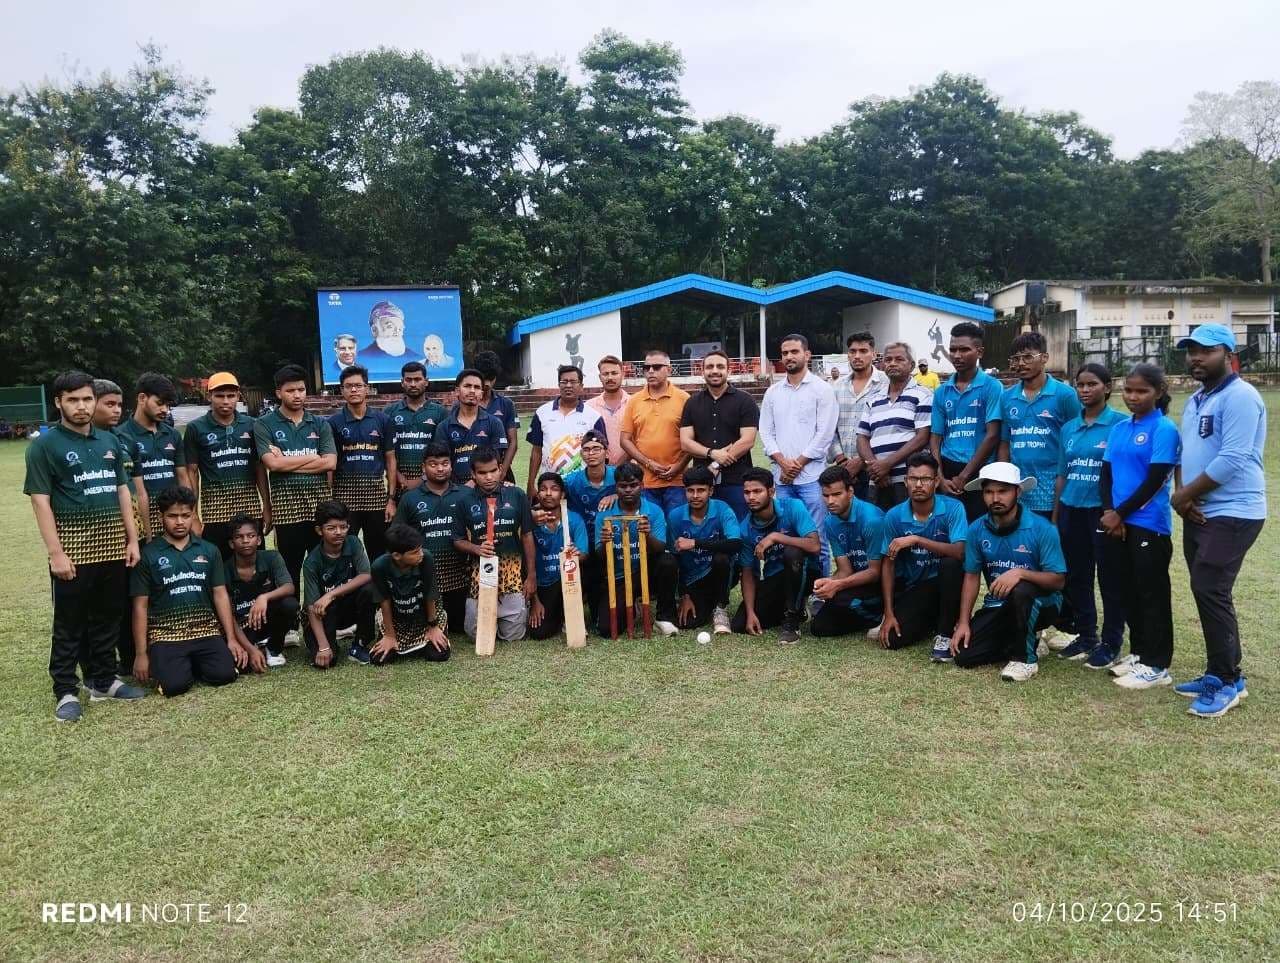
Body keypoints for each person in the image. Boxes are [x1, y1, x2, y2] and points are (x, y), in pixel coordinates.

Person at [26, 370, 144, 721]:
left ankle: (103, 680)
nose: (81, 406)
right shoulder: (45, 446)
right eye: (73, 400)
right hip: (74, 553)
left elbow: (122, 492)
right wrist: (56, 553)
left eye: (86, 399)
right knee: (70, 624)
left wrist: (133, 538)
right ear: (59, 402)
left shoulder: (108, 442)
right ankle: (65, 690)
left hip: (113, 548)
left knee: (108, 618)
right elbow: (40, 501)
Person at [1170, 324, 1267, 718]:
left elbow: (1234, 458)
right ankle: (1223, 672)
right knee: (1207, 589)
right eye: (1191, 350)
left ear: (1228, 354)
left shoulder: (1241, 396)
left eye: (1205, 351)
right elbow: (1185, 452)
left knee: (1210, 587)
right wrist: (1184, 498)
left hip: (1235, 510)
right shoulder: (1197, 398)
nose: (1196, 357)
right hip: (1200, 509)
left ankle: (1226, 682)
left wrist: (1185, 494)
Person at [130, 486, 264, 697]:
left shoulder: (209, 550)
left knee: (225, 675)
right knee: (174, 687)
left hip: (206, 631)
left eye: (186, 515)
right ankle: (178, 666)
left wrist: (231, 639)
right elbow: (140, 606)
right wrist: (141, 653)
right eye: (172, 516)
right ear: (160, 517)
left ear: (194, 514)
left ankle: (194, 663)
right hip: (166, 634)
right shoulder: (148, 554)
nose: (180, 522)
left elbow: (220, 595)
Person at [1098, 364, 1180, 691]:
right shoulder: (1119, 427)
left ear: (1158, 392)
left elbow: (1155, 480)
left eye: (1141, 391)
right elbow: (1106, 475)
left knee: (1152, 595)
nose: (1133, 397)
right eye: (1128, 390)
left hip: (1148, 525)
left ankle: (1158, 665)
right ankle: (1140, 652)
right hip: (1116, 522)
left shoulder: (1164, 429)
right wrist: (1109, 512)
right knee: (1127, 591)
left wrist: (1120, 514)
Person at [951, 463, 1067, 682]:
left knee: (1021, 589)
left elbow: (1058, 580)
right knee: (965, 656)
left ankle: (1025, 660)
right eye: (989, 492)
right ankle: (1025, 638)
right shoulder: (976, 529)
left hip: (1043, 603)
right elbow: (971, 576)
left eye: (1002, 491)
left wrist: (1021, 574)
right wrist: (964, 622)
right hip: (999, 605)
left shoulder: (1042, 528)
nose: (995, 498)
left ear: (1018, 491)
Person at [1053, 364, 1126, 668]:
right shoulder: (1069, 427)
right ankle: (1086, 635)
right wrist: (1057, 516)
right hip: (1071, 509)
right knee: (1077, 577)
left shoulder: (1120, 425)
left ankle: (1111, 642)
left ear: (1107, 388)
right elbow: (1061, 475)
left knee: (1110, 579)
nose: (1084, 390)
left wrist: (1118, 513)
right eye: (1080, 385)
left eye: (1091, 384)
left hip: (1102, 512)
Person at [875, 452, 967, 660]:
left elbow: (960, 551)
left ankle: (944, 633)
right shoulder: (894, 516)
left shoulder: (953, 508)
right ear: (906, 481)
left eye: (925, 479)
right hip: (917, 588)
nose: (918, 484)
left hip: (949, 584)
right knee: (892, 639)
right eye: (913, 479)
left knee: (951, 564)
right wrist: (888, 613)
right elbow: (887, 564)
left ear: (936, 481)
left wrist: (917, 539)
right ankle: (935, 620)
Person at [759, 334, 839, 572]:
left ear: (807, 354)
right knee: (785, 536)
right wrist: (783, 464)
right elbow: (766, 431)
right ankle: (790, 593)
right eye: (785, 353)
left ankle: (819, 593)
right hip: (782, 480)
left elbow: (824, 434)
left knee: (818, 539)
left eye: (794, 352)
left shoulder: (822, 390)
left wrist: (798, 464)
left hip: (812, 478)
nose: (789, 357)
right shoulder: (773, 392)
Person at [254, 364, 337, 591]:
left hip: (319, 508)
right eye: (291, 390)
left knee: (322, 568)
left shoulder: (319, 424)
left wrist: (285, 465)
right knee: (289, 568)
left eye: (301, 389)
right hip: (286, 509)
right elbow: (271, 464)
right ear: (279, 392)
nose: (297, 395)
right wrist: (312, 456)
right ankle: (290, 624)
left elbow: (330, 462)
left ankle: (319, 619)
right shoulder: (264, 424)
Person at [452, 446, 536, 642]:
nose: (488, 477)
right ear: (473, 474)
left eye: (492, 471)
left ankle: (516, 609)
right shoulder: (463, 500)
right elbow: (457, 540)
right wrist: (476, 548)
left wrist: (531, 575)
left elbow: (527, 535)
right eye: (482, 473)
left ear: (500, 468)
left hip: (512, 574)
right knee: (476, 636)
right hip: (479, 575)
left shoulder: (516, 494)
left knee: (513, 636)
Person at [997, 331, 1082, 518]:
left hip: (1054, 488)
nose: (1021, 363)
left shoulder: (1065, 395)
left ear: (1044, 358)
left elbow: (1077, 441)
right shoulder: (1006, 397)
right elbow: (1004, 443)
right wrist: (1005, 482)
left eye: (1028, 357)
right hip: (1018, 490)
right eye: (1016, 358)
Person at [733, 466, 821, 643]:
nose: (751, 497)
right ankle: (792, 609)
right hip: (776, 578)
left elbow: (814, 545)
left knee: (792, 552)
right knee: (739, 624)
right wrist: (751, 612)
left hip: (805, 573)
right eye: (747, 492)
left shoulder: (792, 507)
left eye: (757, 491)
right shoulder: (745, 528)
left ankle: (792, 621)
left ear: (771, 491)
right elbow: (748, 573)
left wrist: (776, 537)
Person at [184, 372, 267, 556]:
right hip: (215, 513)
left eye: (231, 396)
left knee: (255, 566)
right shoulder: (195, 428)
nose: (226, 401)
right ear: (209, 396)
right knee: (218, 569)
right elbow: (192, 473)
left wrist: (266, 508)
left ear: (238, 396)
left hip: (249, 510)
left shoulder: (253, 425)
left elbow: (259, 468)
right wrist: (193, 516)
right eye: (219, 396)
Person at [393, 442, 470, 635]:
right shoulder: (410, 498)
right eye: (433, 464)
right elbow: (396, 535)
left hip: (459, 578)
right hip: (424, 578)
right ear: (423, 468)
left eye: (445, 463)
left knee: (459, 627)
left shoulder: (466, 494)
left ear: (452, 465)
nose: (440, 468)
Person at [929, 322, 1004, 521]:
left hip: (979, 470)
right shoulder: (941, 392)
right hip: (947, 470)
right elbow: (935, 439)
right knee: (949, 530)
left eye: (964, 349)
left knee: (979, 528)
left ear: (979, 352)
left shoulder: (992, 387)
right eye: (952, 349)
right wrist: (939, 476)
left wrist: (964, 476)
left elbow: (993, 435)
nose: (956, 355)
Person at [594, 462, 679, 637]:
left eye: (633, 485)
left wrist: (647, 535)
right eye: (623, 486)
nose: (628, 490)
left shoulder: (653, 511)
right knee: (607, 630)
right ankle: (633, 606)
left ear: (642, 485)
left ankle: (665, 617)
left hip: (645, 572)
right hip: (619, 577)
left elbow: (661, 548)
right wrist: (604, 542)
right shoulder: (605, 513)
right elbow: (599, 555)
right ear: (616, 487)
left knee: (667, 561)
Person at [678, 349, 759, 520]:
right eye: (710, 367)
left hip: (737, 479)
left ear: (728, 371)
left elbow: (748, 440)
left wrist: (715, 464)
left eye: (720, 366)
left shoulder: (745, 401)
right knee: (707, 527)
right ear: (702, 371)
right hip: (702, 482)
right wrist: (712, 453)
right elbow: (685, 442)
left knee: (739, 526)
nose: (715, 370)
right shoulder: (692, 403)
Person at [855, 341, 933, 510]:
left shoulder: (923, 395)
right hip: (876, 479)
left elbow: (922, 437)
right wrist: (874, 467)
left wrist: (887, 464)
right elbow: (861, 437)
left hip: (908, 481)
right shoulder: (873, 398)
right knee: (878, 528)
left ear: (911, 365)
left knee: (906, 528)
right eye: (888, 359)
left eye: (899, 359)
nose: (892, 363)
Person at [809, 466, 885, 638]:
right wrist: (828, 582)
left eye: (836, 495)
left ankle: (883, 615)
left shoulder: (871, 519)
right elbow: (845, 570)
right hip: (858, 581)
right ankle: (868, 615)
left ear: (850, 492)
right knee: (819, 628)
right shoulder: (830, 521)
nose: (830, 501)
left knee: (841, 600)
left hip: (884, 582)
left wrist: (838, 585)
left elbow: (876, 572)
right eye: (826, 495)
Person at [328, 365, 395, 562]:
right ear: (341, 390)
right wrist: (331, 497)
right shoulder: (333, 423)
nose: (354, 390)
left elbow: (391, 460)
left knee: (379, 554)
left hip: (375, 499)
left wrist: (390, 499)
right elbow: (330, 464)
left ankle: (378, 592)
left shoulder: (383, 420)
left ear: (367, 388)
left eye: (358, 385)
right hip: (344, 500)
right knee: (344, 554)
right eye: (348, 386)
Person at [668, 466, 742, 634]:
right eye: (690, 490)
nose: (695, 496)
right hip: (692, 579)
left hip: (719, 571)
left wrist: (695, 543)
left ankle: (720, 606)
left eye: (701, 490)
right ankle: (706, 602)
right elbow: (674, 558)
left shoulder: (723, 509)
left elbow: (736, 543)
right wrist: (684, 595)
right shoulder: (675, 516)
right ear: (685, 491)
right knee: (688, 623)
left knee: (722, 557)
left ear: (711, 491)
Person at [302, 500, 376, 668]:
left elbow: (366, 575)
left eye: (343, 527)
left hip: (348, 607)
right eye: (331, 528)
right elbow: (312, 607)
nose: (339, 532)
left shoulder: (353, 543)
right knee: (327, 661)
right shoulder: (311, 562)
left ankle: (361, 644)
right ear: (319, 530)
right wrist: (323, 646)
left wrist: (331, 594)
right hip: (325, 614)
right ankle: (323, 642)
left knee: (370, 591)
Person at [116, 372, 189, 541]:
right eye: (160, 403)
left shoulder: (173, 435)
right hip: (138, 523)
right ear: (142, 398)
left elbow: (183, 477)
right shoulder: (119, 436)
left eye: (168, 405)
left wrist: (191, 516)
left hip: (172, 520)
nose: (165, 410)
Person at [368, 523, 451, 664]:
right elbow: (384, 601)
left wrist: (433, 626)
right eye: (414, 552)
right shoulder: (379, 566)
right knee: (379, 659)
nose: (421, 554)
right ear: (396, 555)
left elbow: (430, 594)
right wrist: (389, 635)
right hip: (397, 618)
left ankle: (439, 632)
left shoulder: (426, 559)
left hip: (424, 616)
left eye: (420, 549)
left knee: (438, 654)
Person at [620, 349, 691, 512]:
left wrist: (678, 466)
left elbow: (694, 439)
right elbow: (624, 440)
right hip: (645, 482)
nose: (651, 371)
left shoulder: (684, 399)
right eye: (647, 368)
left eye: (657, 367)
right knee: (649, 529)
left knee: (675, 529)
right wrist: (648, 463)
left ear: (669, 369)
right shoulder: (634, 401)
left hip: (677, 481)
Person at [224, 512, 297, 668]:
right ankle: (254, 646)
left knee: (290, 604)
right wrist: (250, 649)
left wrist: (263, 598)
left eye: (250, 536)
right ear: (231, 543)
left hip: (267, 621)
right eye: (239, 537)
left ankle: (273, 648)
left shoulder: (272, 557)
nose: (245, 541)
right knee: (239, 665)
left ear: (258, 540)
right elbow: (228, 615)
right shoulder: (225, 570)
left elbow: (289, 587)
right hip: (243, 627)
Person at [525, 364, 607, 494]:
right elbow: (536, 452)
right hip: (550, 486)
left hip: (582, 484)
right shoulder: (542, 413)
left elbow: (602, 454)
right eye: (564, 382)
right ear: (559, 384)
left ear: (581, 386)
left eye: (573, 382)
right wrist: (530, 484)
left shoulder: (593, 417)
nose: (568, 385)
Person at [528, 473, 590, 640]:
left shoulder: (574, 519)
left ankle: (571, 615)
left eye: (554, 489)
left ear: (562, 494)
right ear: (538, 494)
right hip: (542, 584)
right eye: (543, 489)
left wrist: (575, 555)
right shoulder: (529, 520)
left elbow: (584, 553)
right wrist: (535, 601)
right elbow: (526, 563)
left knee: (583, 570)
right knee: (539, 633)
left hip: (567, 579)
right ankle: (557, 616)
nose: (548, 494)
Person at [562, 431, 616, 622]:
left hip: (612, 540)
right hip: (584, 541)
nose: (591, 453)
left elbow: (635, 494)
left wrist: (615, 495)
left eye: (596, 449)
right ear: (581, 454)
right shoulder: (571, 481)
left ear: (606, 452)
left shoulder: (618, 476)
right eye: (586, 449)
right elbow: (550, 495)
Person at [829, 332, 888, 501]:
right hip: (844, 470)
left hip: (877, 469)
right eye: (852, 351)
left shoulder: (886, 383)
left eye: (863, 351)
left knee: (874, 519)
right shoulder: (837, 387)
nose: (857, 356)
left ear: (874, 354)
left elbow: (887, 428)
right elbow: (829, 427)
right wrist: (842, 461)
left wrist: (861, 462)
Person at [434, 369, 509, 484]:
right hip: (455, 490)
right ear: (457, 391)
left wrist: (475, 481)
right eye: (467, 386)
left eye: (477, 387)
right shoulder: (444, 427)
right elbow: (442, 462)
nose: (472, 391)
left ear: (481, 394)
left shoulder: (494, 423)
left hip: (485, 488)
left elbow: (495, 460)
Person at [385, 361, 448, 496]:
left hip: (431, 483)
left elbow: (443, 452)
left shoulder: (440, 412)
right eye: (409, 380)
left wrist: (423, 478)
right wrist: (397, 475)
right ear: (402, 382)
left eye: (418, 379)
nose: (413, 384)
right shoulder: (389, 412)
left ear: (426, 381)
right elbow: (385, 451)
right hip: (398, 484)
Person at [473, 351, 520, 482]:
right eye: (484, 377)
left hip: (500, 469)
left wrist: (502, 471)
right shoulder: (465, 405)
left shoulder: (507, 404)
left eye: (491, 378)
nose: (487, 383)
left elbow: (513, 442)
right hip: (473, 471)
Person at [585, 355, 631, 466]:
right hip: (599, 471)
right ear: (600, 377)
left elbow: (639, 440)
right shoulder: (589, 407)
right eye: (605, 374)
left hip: (630, 473)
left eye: (614, 373)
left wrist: (618, 466)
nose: (610, 378)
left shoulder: (634, 403)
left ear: (623, 375)